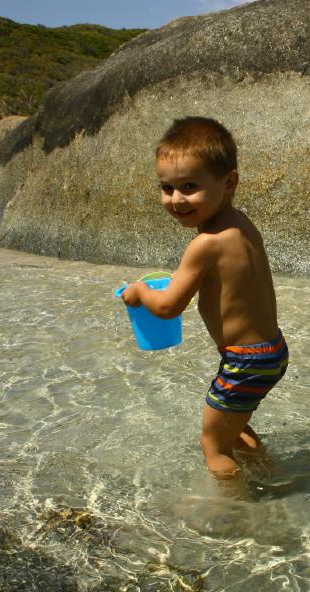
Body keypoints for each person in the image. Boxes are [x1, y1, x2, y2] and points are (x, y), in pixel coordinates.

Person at [121, 116, 288, 479]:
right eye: (167, 188)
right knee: (236, 426)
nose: (176, 199)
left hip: (245, 362)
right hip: (271, 352)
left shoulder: (205, 243)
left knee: (213, 445)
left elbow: (167, 307)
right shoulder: (240, 224)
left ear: (229, 183)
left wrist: (139, 292)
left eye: (190, 186)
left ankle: (238, 513)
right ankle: (273, 478)